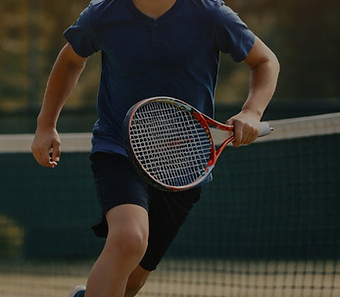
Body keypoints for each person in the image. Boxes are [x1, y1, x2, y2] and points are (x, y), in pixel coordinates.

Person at [30, 0, 278, 296]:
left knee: (132, 281)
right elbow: (71, 59)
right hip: (119, 150)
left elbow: (265, 61)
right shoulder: (102, 14)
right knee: (129, 240)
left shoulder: (211, 14)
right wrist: (46, 125)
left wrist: (252, 112)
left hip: (185, 166)